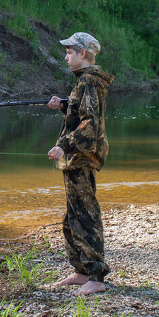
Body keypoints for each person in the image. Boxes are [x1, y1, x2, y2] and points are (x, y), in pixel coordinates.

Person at [46, 31, 114, 296]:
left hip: (81, 157)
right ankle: (81, 271)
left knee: (85, 215)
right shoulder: (84, 82)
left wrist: (62, 145)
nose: (66, 57)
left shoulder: (88, 81)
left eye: (69, 52)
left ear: (82, 54)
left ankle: (96, 277)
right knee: (72, 215)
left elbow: (90, 123)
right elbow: (82, 112)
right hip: (76, 157)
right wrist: (64, 105)